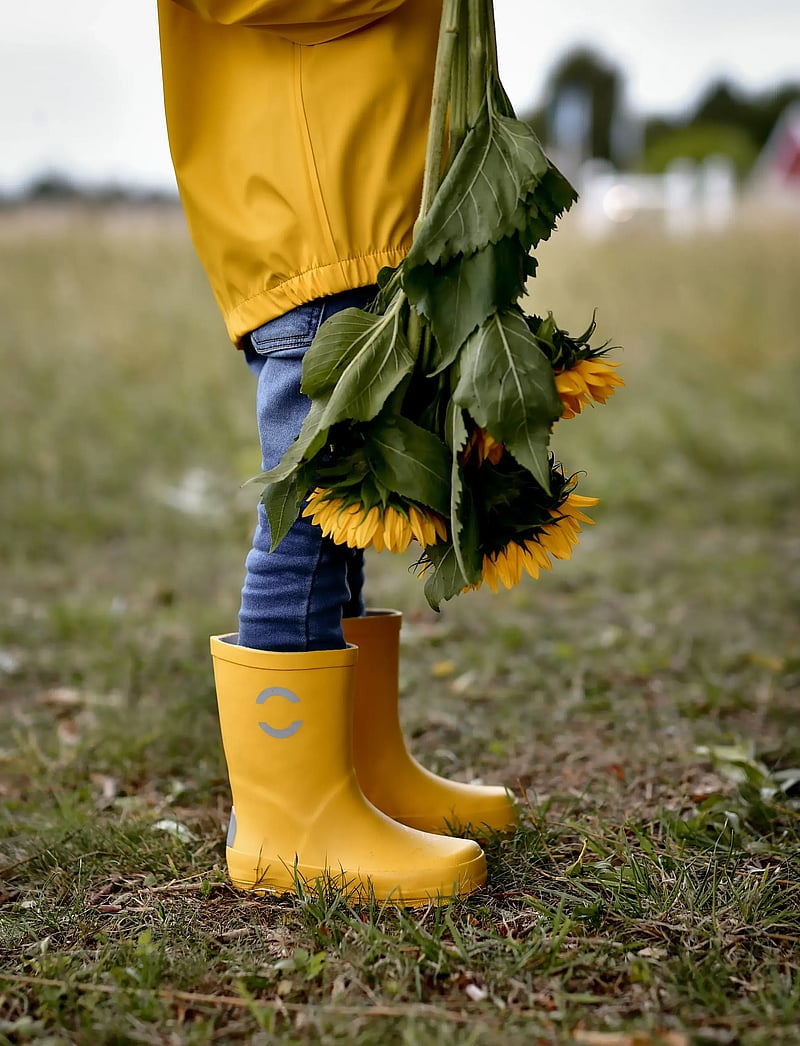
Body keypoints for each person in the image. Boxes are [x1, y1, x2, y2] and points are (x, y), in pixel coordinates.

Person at [157, 0, 516, 905]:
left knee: (345, 511)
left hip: (361, 214)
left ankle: (355, 773)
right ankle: (289, 818)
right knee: (309, 521)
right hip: (314, 216)